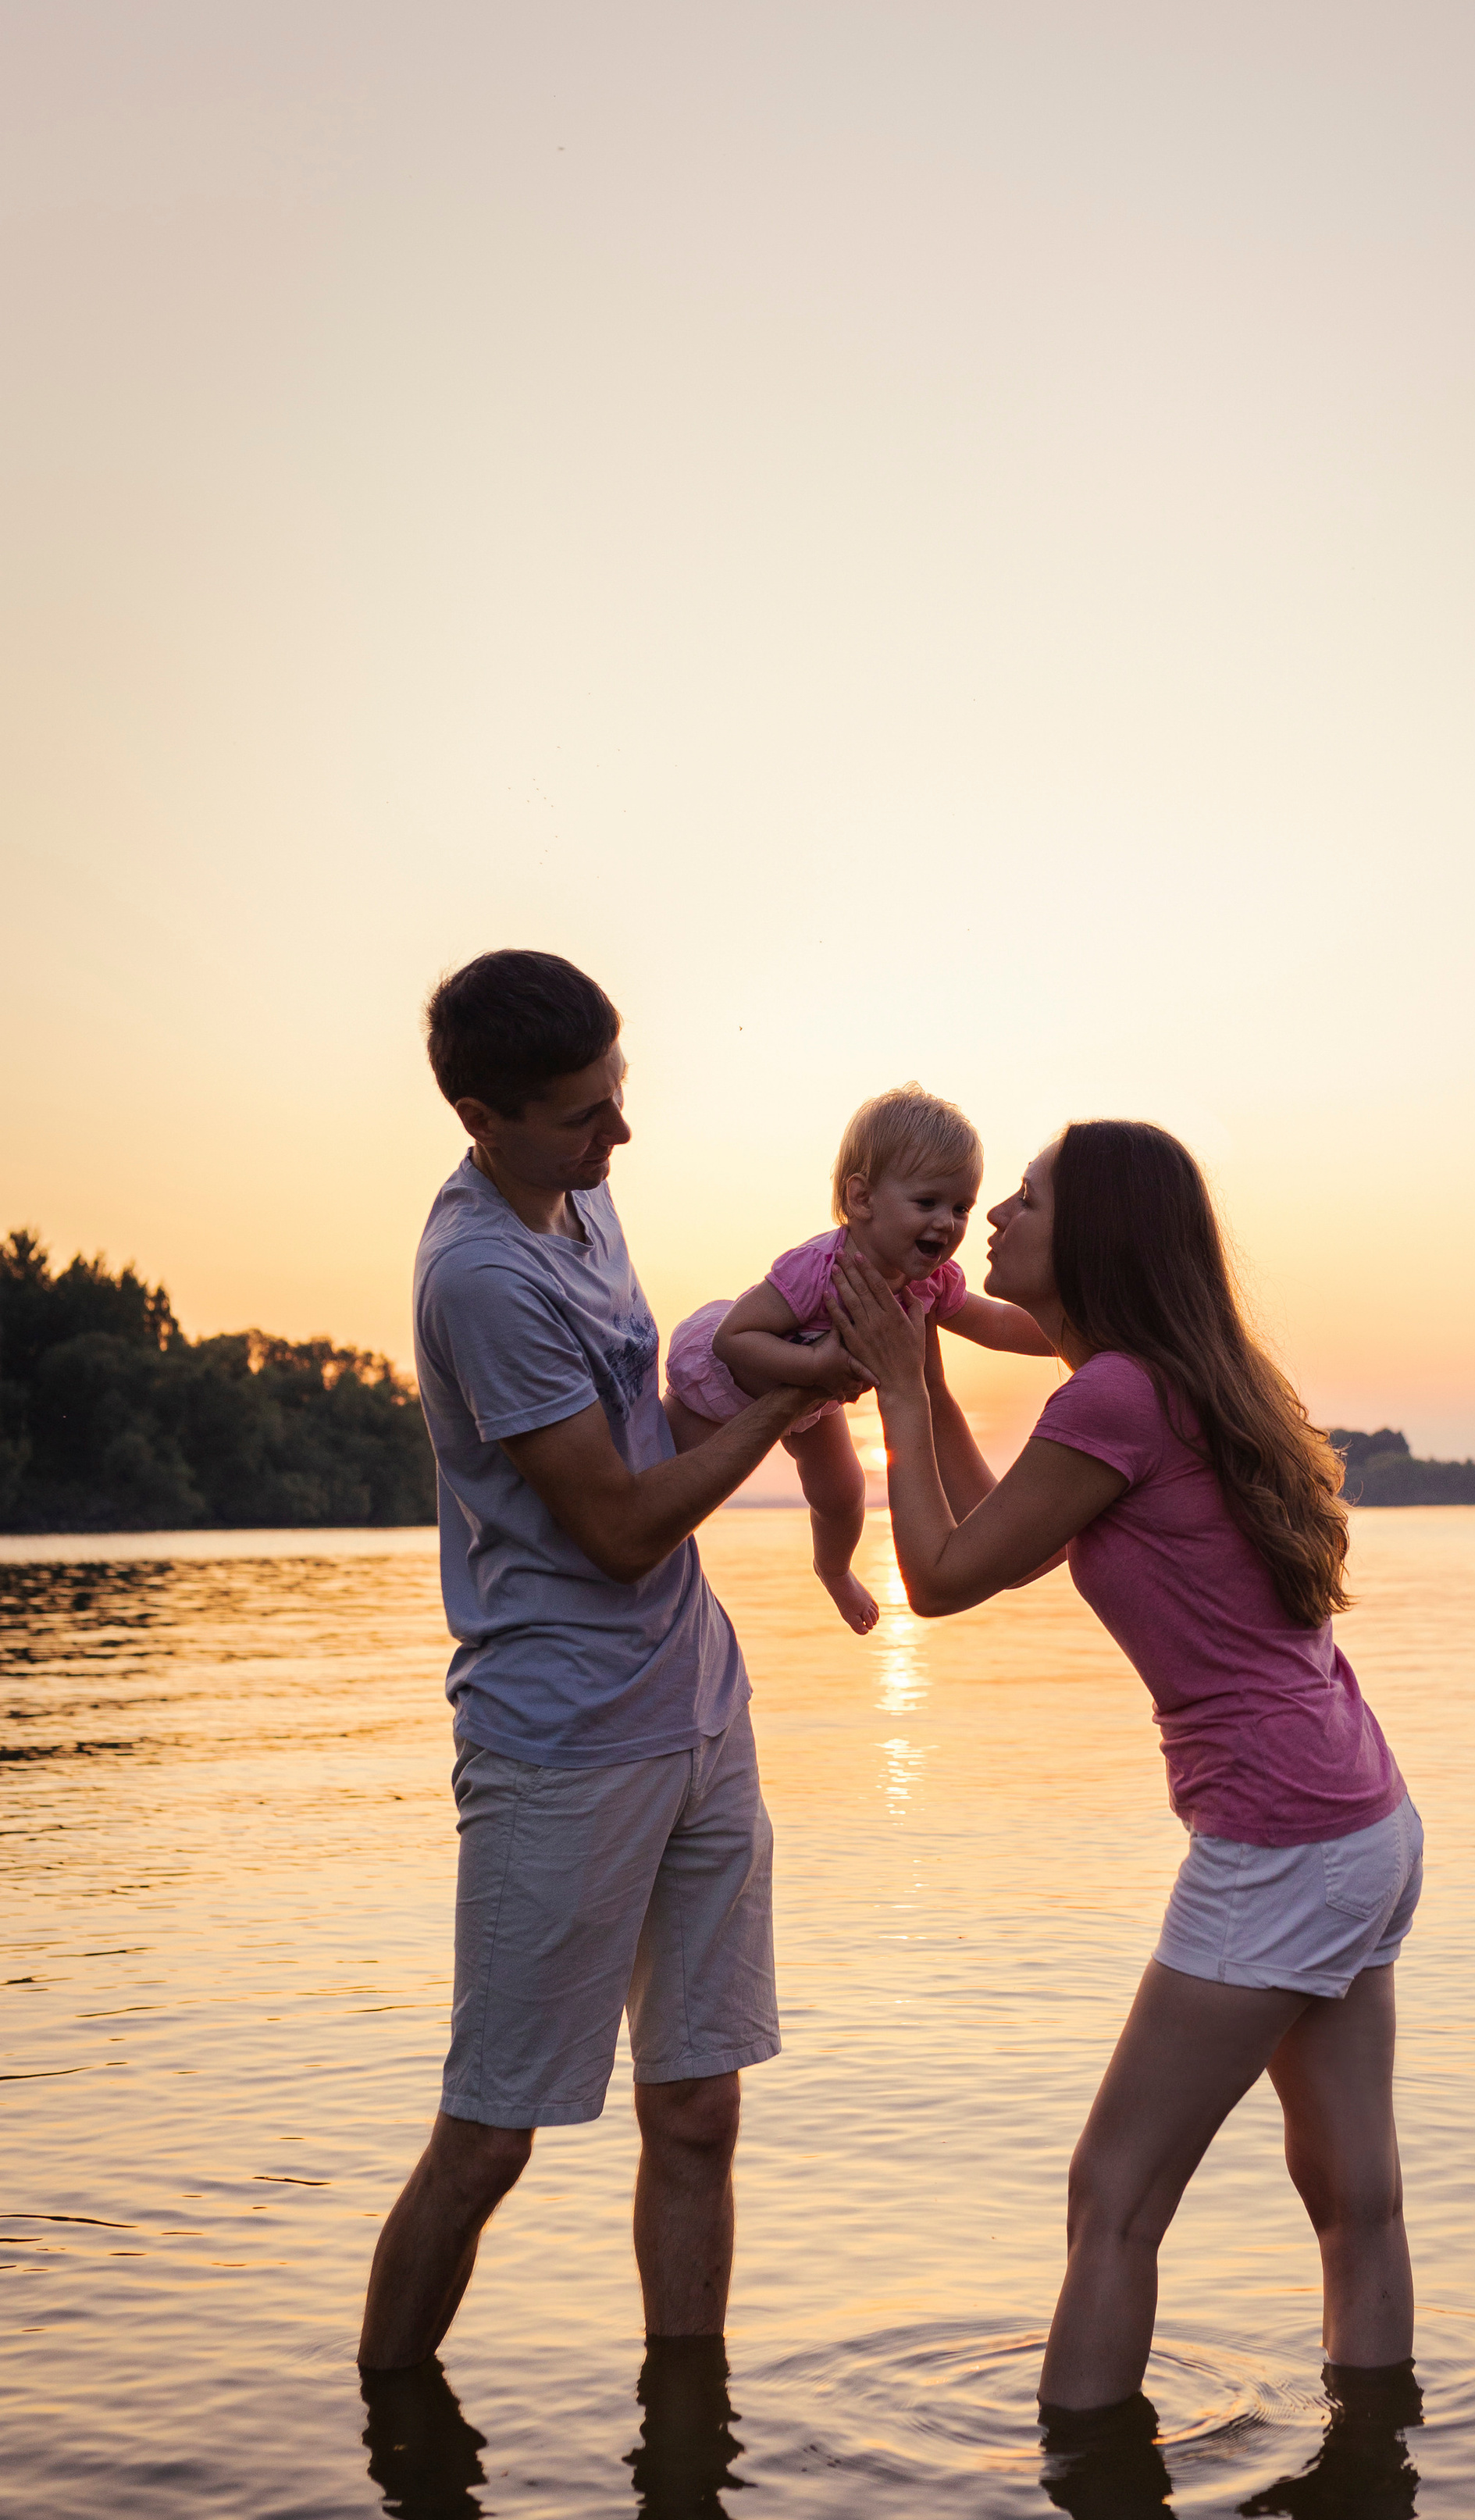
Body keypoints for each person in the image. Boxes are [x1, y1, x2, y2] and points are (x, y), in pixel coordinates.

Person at [828, 1119, 1421, 2418]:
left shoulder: (1115, 1397)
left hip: (1281, 1838)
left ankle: (1086, 2493)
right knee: (1355, 2199)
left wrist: (906, 1392)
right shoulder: (1178, 1379)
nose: (996, 1217)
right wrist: (930, 1352)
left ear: (1092, 1237)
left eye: (1028, 1199)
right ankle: (1374, 2465)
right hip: (1365, 1823)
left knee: (1113, 2196)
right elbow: (1001, 1538)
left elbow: (940, 1576)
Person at [358, 950, 868, 2372]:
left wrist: (779, 1333)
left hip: (697, 1708)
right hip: (562, 1746)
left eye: (618, 1094)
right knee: (489, 2138)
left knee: (699, 2110)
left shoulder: (580, 1195)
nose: (619, 1135)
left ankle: (688, 2440)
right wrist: (793, 1400)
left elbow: (650, 1413)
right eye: (585, 1114)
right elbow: (623, 1529)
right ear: (482, 1118)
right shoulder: (480, 1276)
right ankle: (392, 2432)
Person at [664, 1083, 1053, 1636]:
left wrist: (1082, 1337)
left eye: (960, 1207)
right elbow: (735, 1336)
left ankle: (835, 1570)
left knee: (844, 1495)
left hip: (814, 1404)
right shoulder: (818, 1268)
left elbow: (996, 1324)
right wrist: (816, 1368)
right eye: (927, 1203)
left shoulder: (931, 1283)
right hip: (726, 1389)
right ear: (862, 1199)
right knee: (668, 1484)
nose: (947, 1223)